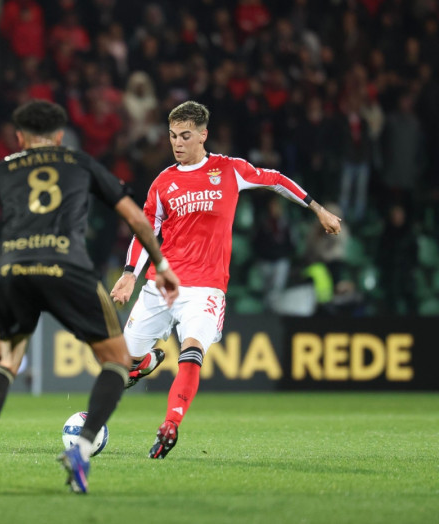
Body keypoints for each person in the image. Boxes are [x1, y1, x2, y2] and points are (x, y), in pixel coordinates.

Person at [0, 100, 179, 494]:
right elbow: (135, 216)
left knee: (6, 362)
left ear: (20, 138)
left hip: (14, 269)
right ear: (60, 136)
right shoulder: (79, 163)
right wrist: (161, 266)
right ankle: (81, 450)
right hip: (68, 268)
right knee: (118, 360)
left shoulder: (1, 169)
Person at [110, 101, 341, 459]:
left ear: (203, 135)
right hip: (161, 284)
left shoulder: (229, 169)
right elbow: (145, 232)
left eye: (185, 136)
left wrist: (317, 208)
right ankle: (143, 363)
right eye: (173, 136)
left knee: (192, 351)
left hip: (205, 286)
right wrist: (129, 275)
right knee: (121, 364)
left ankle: (170, 424)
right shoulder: (164, 182)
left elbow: (276, 180)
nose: (177, 143)